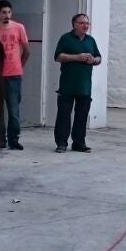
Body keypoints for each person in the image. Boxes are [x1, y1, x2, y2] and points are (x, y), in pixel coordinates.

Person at [53, 13, 101, 154]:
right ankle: (61, 143)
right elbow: (58, 56)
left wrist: (93, 60)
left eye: (87, 23)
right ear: (74, 24)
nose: (85, 26)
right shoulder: (65, 38)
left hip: (85, 86)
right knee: (64, 115)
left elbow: (99, 58)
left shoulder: (90, 40)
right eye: (82, 23)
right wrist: (77, 57)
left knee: (81, 116)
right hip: (67, 85)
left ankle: (79, 143)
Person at [0, 0, 30, 151]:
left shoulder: (18, 27)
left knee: (14, 110)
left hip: (14, 75)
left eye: (9, 12)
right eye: (3, 12)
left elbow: (27, 51)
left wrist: (19, 65)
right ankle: (0, 140)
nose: (6, 15)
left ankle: (14, 139)